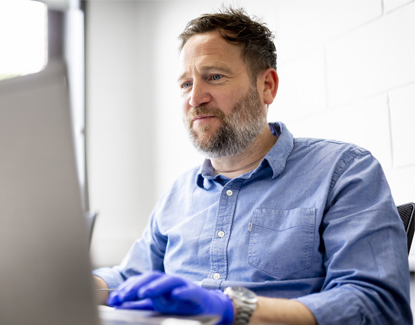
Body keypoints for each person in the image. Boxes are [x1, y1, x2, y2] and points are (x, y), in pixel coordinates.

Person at [92, 7, 412, 325]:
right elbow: (128, 275)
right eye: (185, 84)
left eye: (214, 77)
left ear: (267, 86)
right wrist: (78, 287)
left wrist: (234, 309)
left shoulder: (343, 171)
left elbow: (378, 305)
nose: (195, 98)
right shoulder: (179, 194)